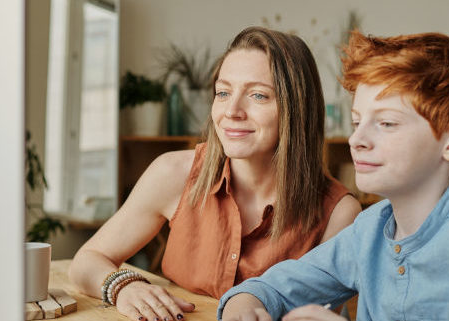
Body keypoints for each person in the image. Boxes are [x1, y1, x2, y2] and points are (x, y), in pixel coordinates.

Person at [218, 31, 449, 321]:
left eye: (386, 123)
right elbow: (270, 287)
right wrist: (245, 306)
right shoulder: (371, 230)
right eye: (357, 122)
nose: (357, 140)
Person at [68, 26, 361, 321]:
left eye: (258, 95)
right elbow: (85, 262)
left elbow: (319, 315)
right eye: (223, 92)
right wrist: (124, 287)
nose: (231, 110)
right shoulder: (173, 173)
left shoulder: (338, 213)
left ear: (297, 108)